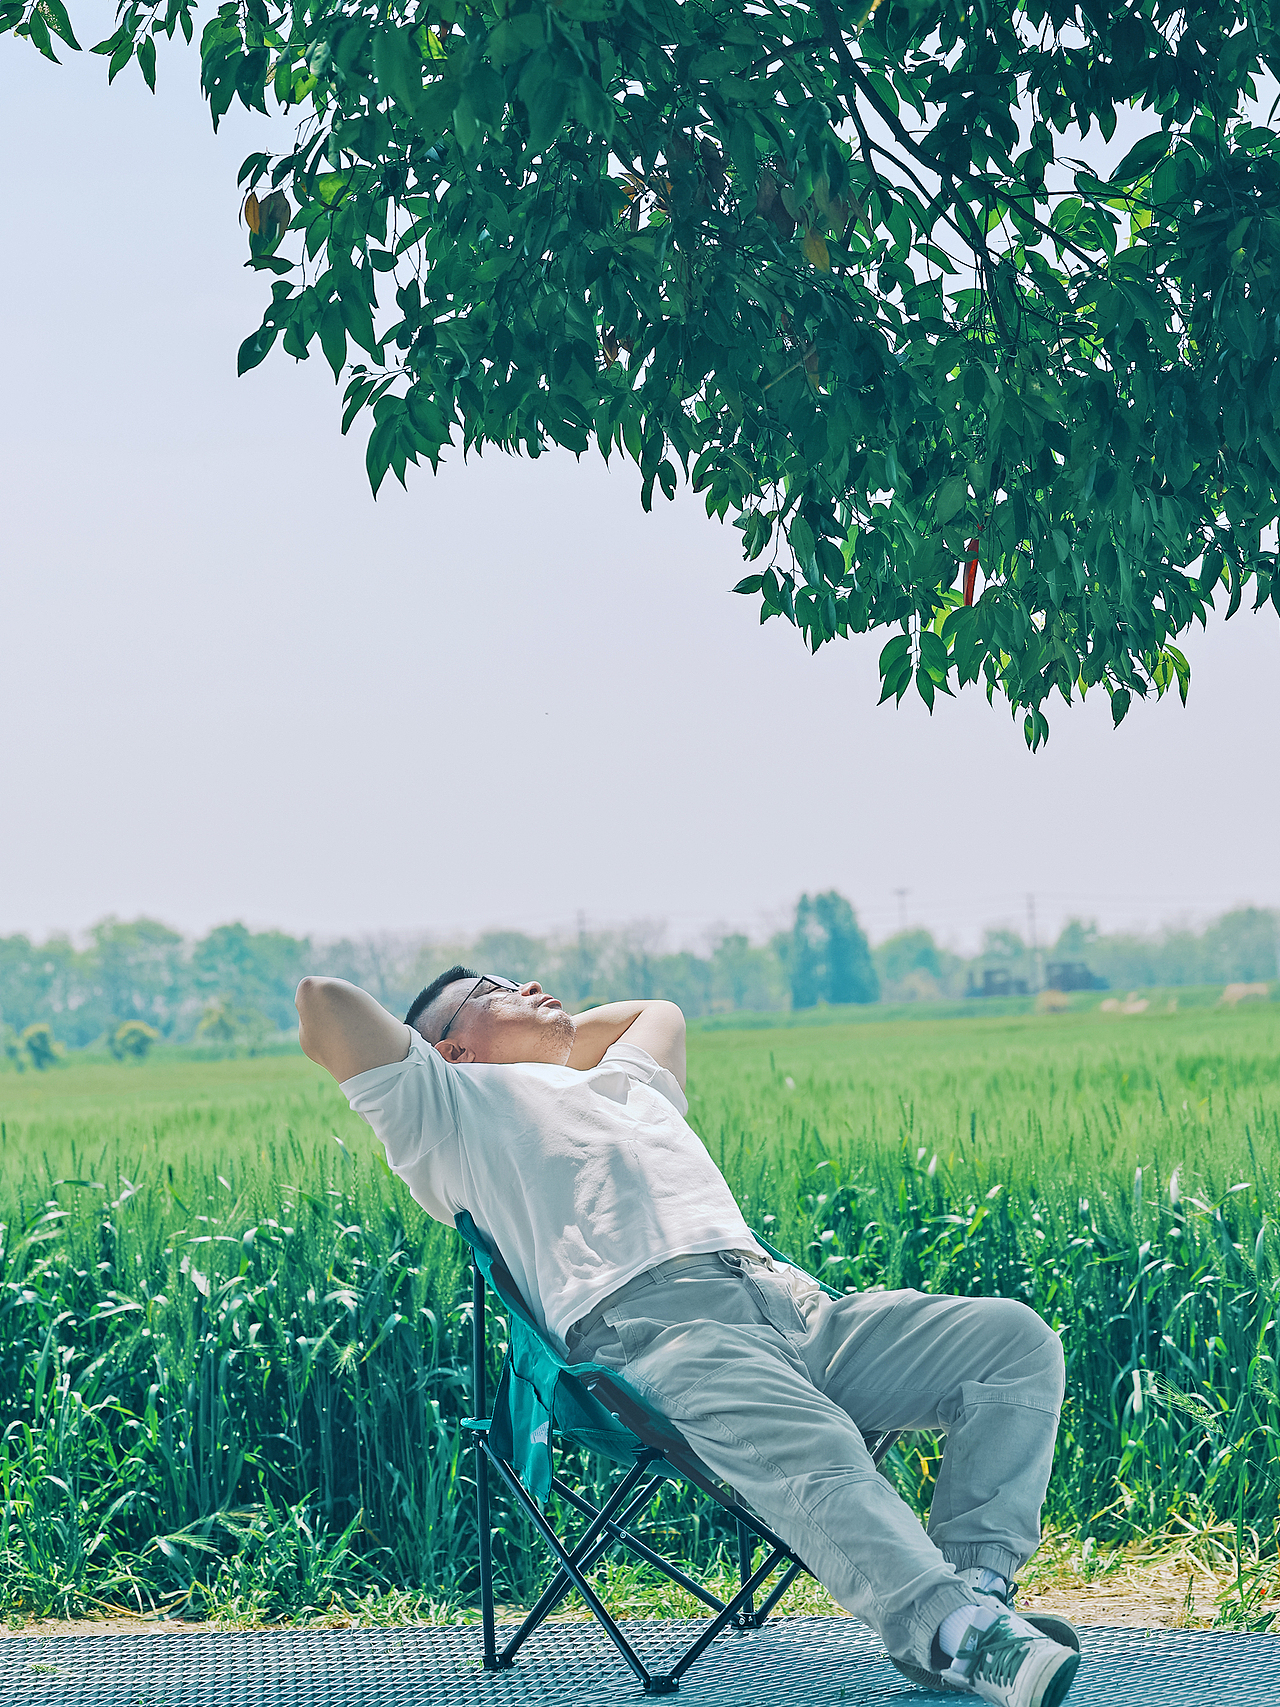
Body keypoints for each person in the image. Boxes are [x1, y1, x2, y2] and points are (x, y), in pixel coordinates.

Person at [296, 968, 1080, 1707]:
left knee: (1013, 1342)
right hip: (660, 1334)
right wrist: (464, 1053)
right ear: (449, 1048)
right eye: (494, 989)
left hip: (791, 1305)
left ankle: (979, 1591)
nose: (530, 985)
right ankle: (954, 1635)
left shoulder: (624, 1082)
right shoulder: (446, 1109)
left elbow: (657, 1012)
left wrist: (557, 1041)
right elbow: (322, 1003)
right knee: (813, 1441)